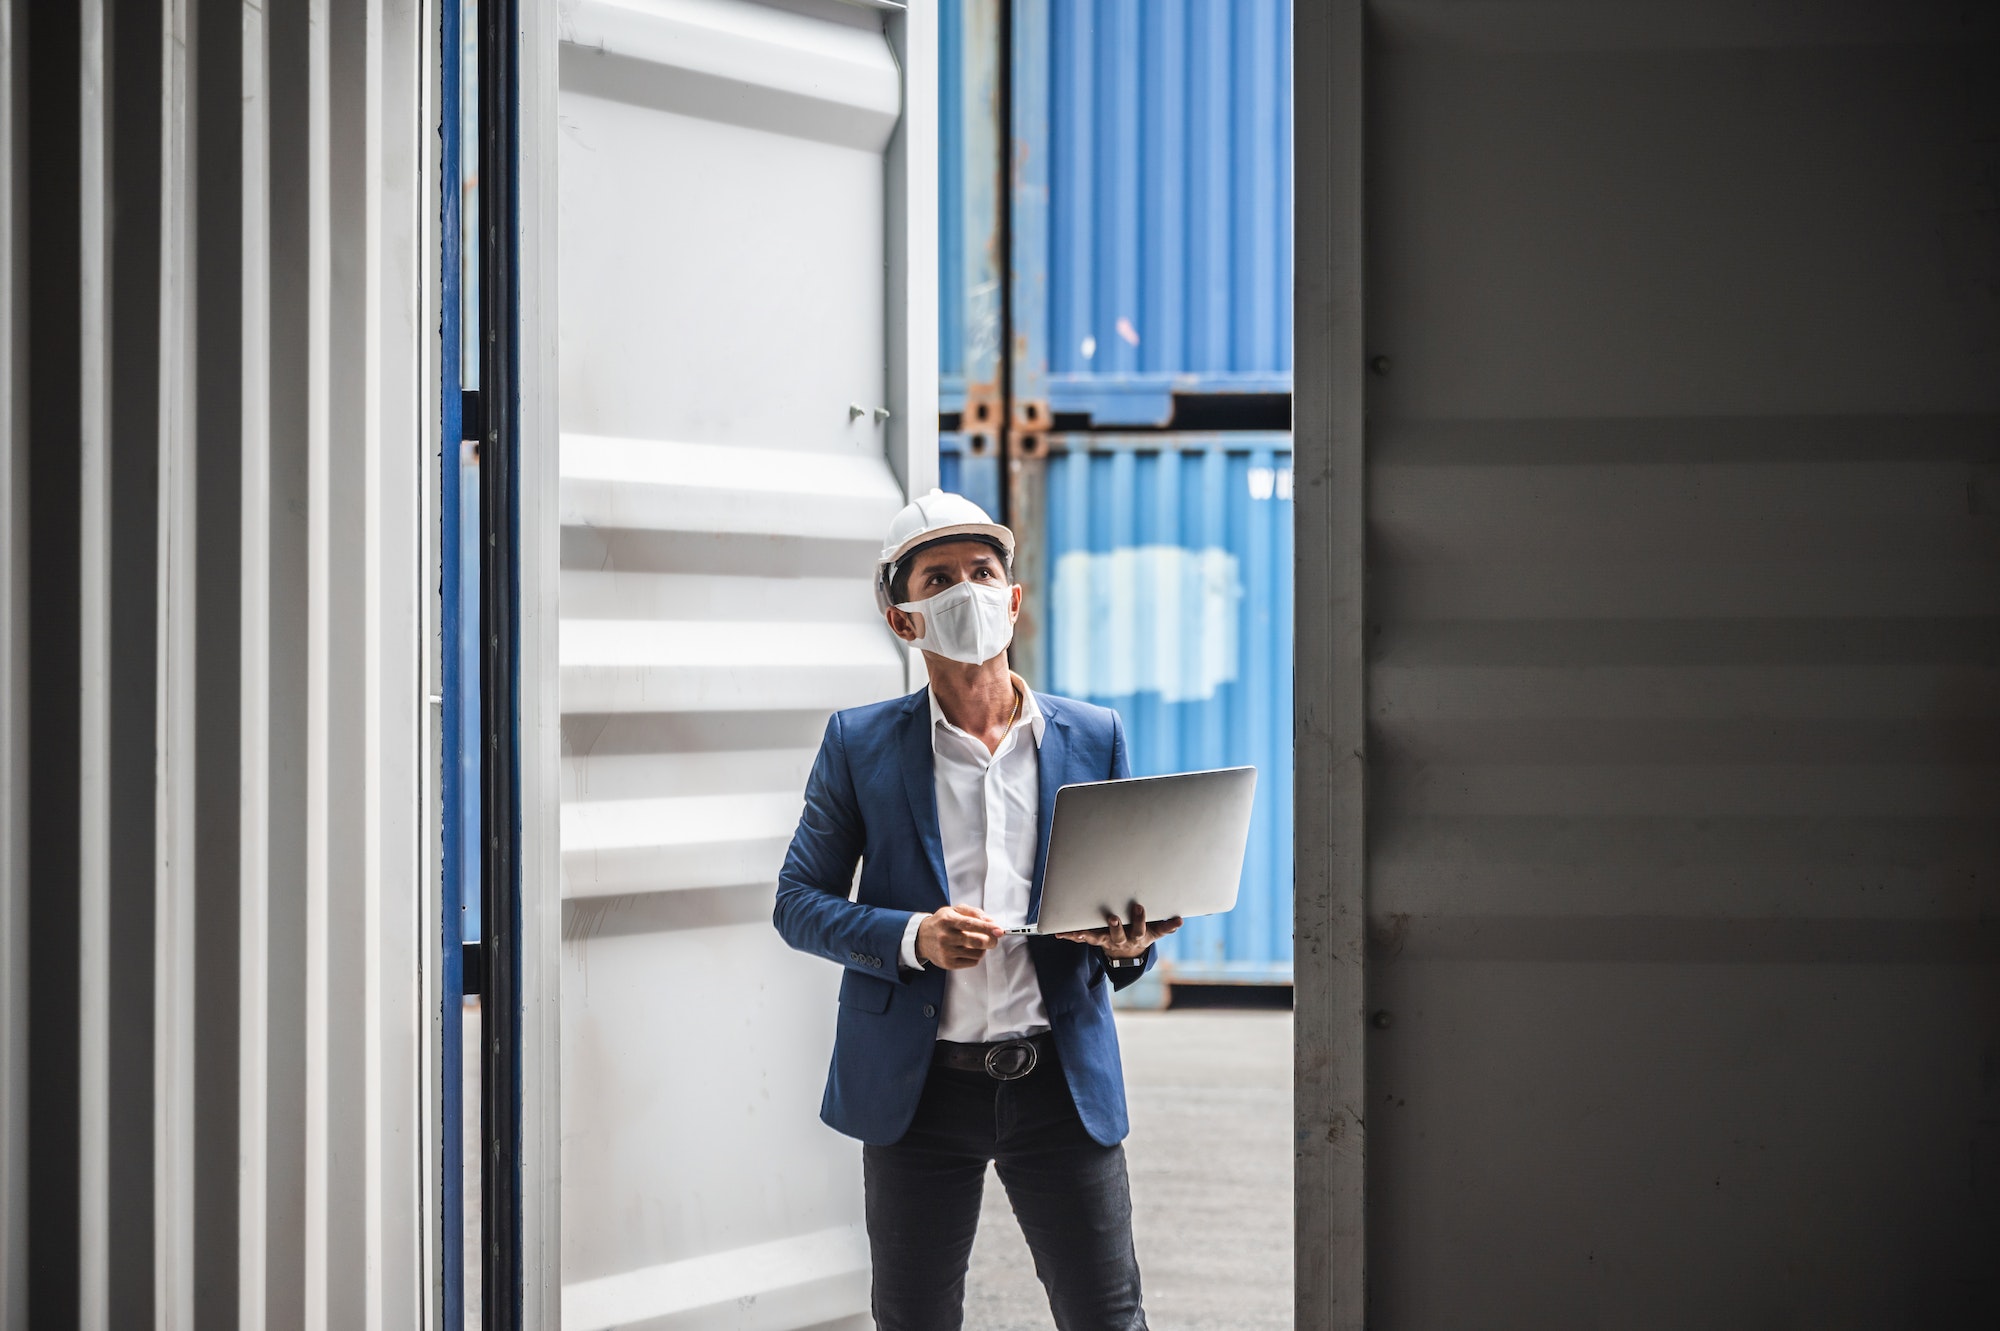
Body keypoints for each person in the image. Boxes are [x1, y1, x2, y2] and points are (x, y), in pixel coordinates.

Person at [773, 489, 1182, 1331]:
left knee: (1108, 1316)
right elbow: (798, 903)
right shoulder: (858, 744)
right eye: (939, 578)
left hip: (1061, 1084)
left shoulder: (1093, 735)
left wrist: (1127, 945)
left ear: (1014, 597)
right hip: (920, 1092)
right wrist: (913, 937)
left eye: (983, 572)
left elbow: (1122, 924)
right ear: (904, 619)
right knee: (915, 1319)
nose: (968, 590)